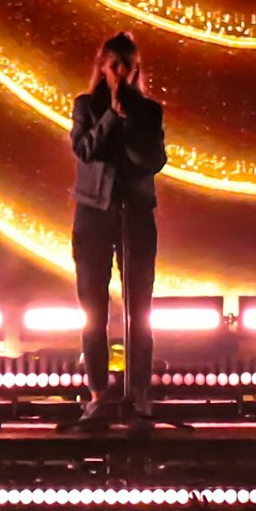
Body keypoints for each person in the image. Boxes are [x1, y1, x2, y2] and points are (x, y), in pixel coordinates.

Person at [69, 31, 168, 429]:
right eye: (115, 65)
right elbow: (84, 149)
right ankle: (98, 393)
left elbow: (154, 160)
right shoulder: (85, 106)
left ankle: (138, 393)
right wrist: (110, 115)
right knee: (93, 309)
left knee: (139, 309)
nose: (122, 73)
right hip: (93, 214)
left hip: (137, 214)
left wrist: (129, 123)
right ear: (103, 68)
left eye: (129, 66)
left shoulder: (150, 112)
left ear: (137, 69)